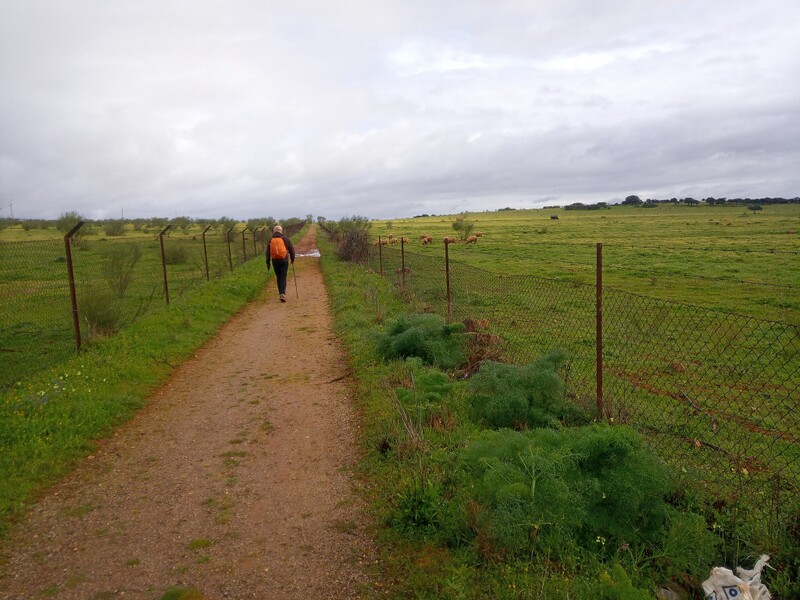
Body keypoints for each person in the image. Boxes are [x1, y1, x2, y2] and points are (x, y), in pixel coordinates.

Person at [265, 225, 296, 302]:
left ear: (274, 231)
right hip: (284, 260)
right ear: (281, 231)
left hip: (275, 261)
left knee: (279, 277)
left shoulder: (271, 240)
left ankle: (281, 293)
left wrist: (268, 263)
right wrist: (292, 259)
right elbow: (292, 251)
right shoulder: (286, 239)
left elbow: (268, 253)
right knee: (283, 276)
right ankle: (282, 293)